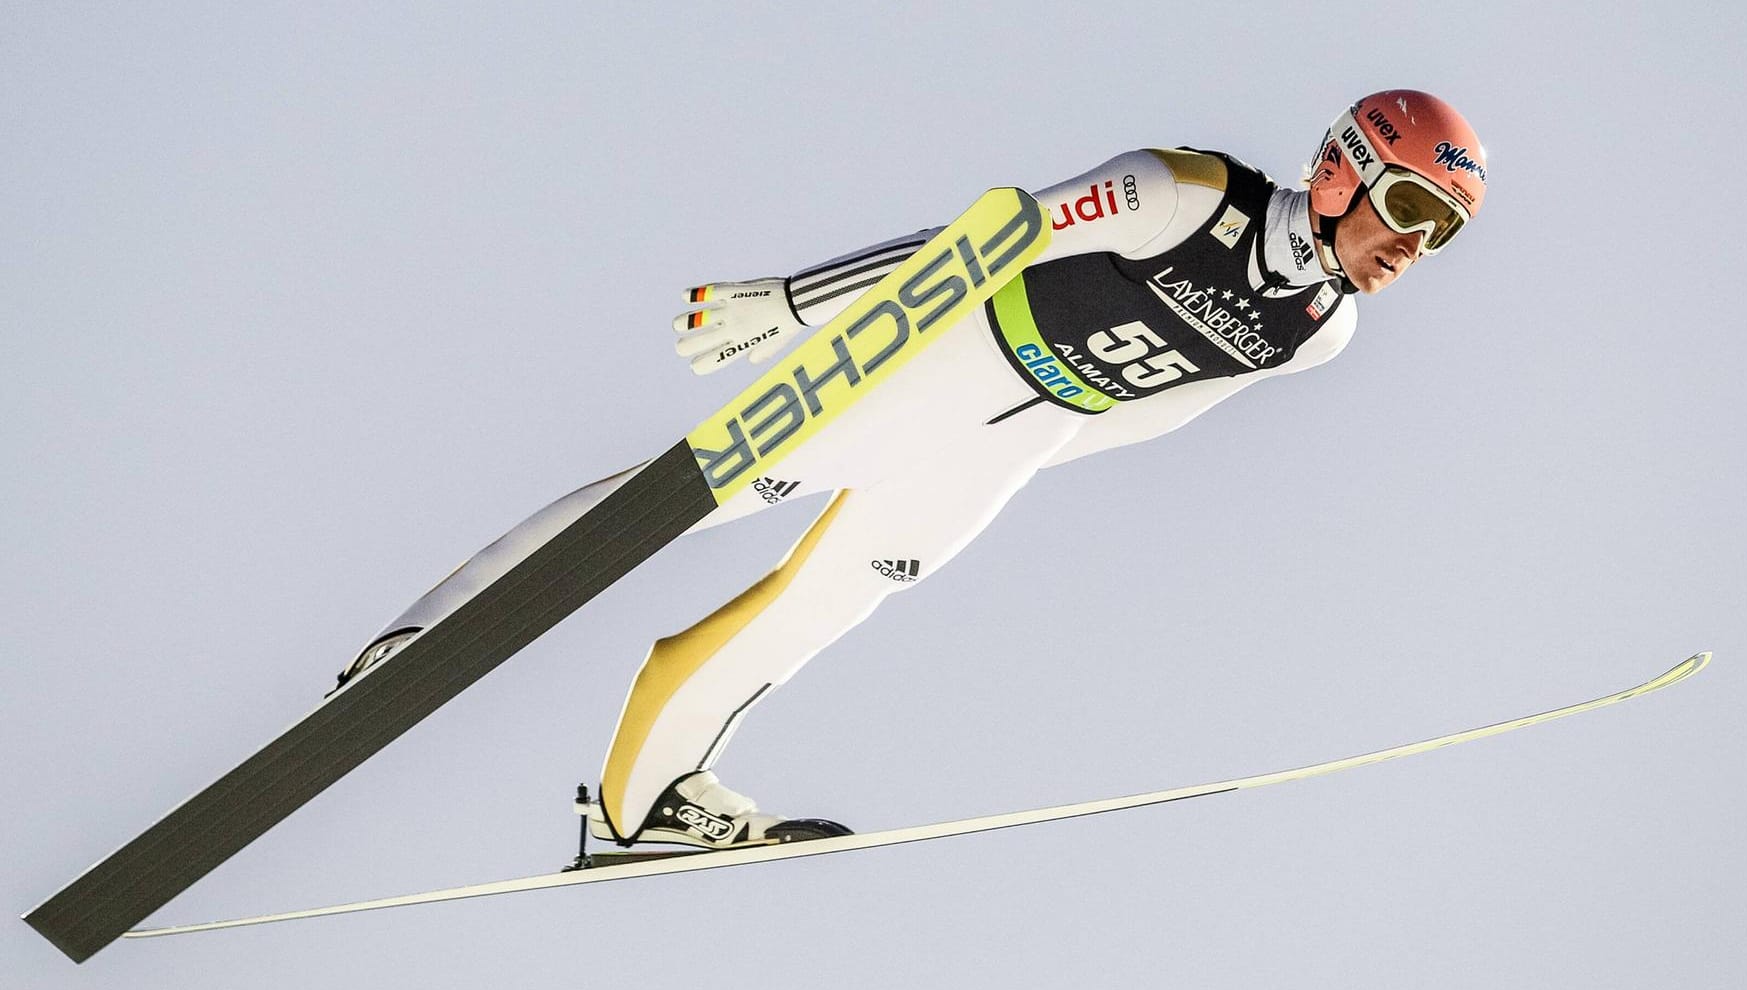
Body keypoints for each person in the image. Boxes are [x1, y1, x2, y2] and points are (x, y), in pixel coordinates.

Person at [335, 89, 1489, 850]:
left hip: (1014, 431)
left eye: (1438, 232)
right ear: (1341, 169)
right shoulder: (1181, 191)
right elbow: (985, 240)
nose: (1408, 244)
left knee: (839, 597)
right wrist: (789, 306)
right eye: (1403, 206)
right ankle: (423, 637)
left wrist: (1030, 445)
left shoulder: (1319, 334)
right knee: (686, 498)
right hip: (934, 360)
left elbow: (1168, 411)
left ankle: (649, 794)